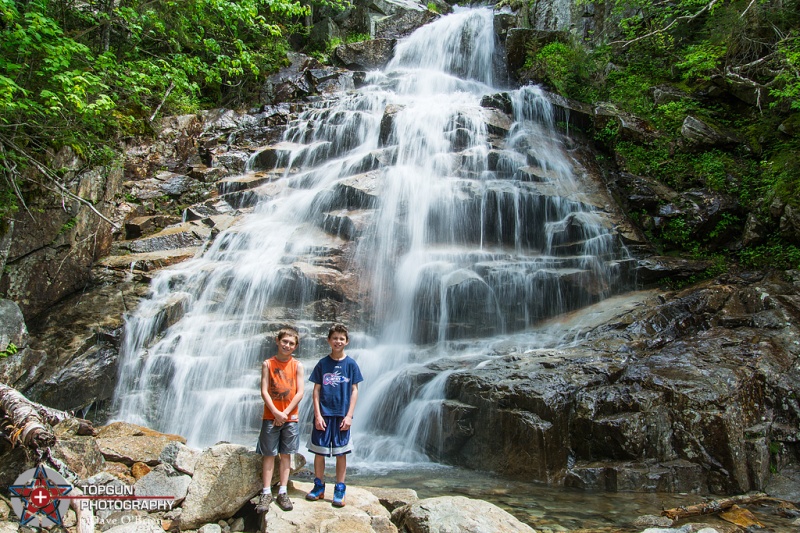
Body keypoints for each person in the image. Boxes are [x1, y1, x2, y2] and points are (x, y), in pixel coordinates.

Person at [305, 323, 363, 507]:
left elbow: (354, 390)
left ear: (347, 341)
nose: (338, 341)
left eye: (341, 338)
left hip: (341, 415)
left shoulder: (351, 364)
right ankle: (319, 485)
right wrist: (317, 415)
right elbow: (316, 390)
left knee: (341, 453)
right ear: (329, 340)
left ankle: (340, 488)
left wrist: (349, 416)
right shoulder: (323, 363)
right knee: (319, 452)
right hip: (324, 414)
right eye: (335, 338)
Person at [255, 327, 304, 513]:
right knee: (269, 454)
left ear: (296, 346)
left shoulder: (297, 365)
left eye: (291, 343)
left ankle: (283, 491)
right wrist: (276, 413)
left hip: (290, 418)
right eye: (285, 342)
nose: (287, 345)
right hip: (270, 416)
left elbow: (300, 392)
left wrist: (285, 414)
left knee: (286, 455)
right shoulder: (268, 364)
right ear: (277, 341)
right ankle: (266, 492)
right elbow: (264, 391)